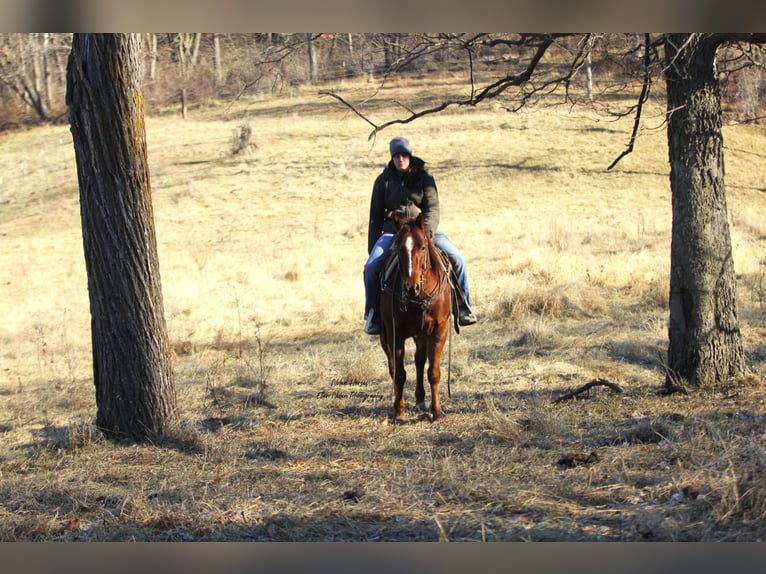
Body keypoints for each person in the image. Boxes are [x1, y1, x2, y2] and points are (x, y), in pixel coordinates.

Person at [363, 135, 476, 335]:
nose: (401, 160)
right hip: (393, 233)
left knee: (458, 259)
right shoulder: (383, 181)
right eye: (397, 156)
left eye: (404, 155)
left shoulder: (425, 178)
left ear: (409, 156)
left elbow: (433, 208)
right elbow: (375, 216)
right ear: (392, 158)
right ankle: (373, 315)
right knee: (371, 268)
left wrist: (428, 233)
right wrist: (373, 248)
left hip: (423, 232)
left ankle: (463, 306)